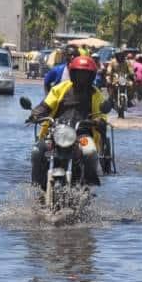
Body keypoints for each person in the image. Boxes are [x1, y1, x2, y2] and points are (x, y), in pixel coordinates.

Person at [27, 55, 107, 192]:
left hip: (82, 135)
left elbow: (102, 114)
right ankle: (37, 184)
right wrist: (35, 114)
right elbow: (46, 105)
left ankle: (88, 183)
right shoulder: (61, 88)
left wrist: (99, 121)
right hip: (56, 131)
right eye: (79, 73)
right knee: (37, 150)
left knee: (90, 151)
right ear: (73, 73)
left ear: (91, 76)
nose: (82, 77)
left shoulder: (96, 94)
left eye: (85, 75)